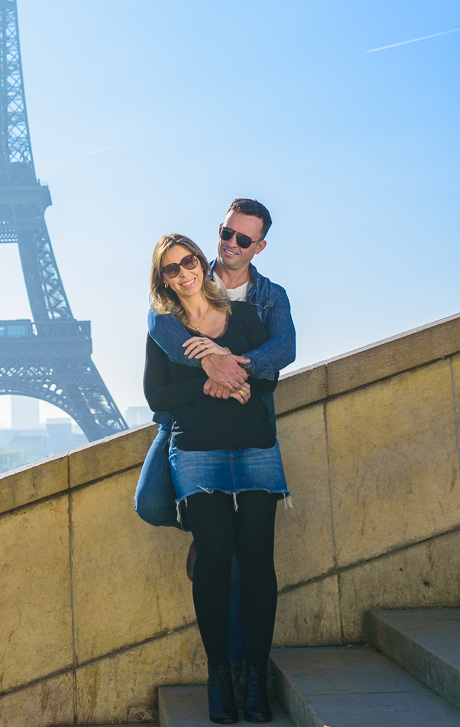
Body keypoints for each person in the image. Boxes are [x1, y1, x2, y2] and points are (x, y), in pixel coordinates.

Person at [134, 199, 295, 707]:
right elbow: (162, 339)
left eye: (243, 239)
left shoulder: (261, 301)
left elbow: (283, 350)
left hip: (250, 434)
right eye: (226, 233)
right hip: (193, 437)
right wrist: (209, 373)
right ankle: (221, 672)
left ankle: (251, 677)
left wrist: (231, 365)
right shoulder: (165, 316)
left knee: (250, 561)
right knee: (152, 503)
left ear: (258, 246)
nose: (231, 243)